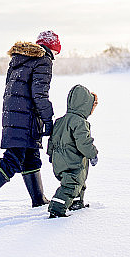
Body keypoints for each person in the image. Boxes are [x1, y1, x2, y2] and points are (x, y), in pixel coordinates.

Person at [0, 31, 61, 211]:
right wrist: (48, 120)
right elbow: (39, 94)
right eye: (56, 52)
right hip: (26, 117)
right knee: (12, 159)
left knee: (30, 156)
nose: (55, 56)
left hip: (14, 114)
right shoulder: (44, 60)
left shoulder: (20, 59)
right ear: (53, 48)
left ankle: (38, 199)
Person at [46, 84, 99, 218]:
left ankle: (76, 203)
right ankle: (56, 208)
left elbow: (52, 139)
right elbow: (84, 143)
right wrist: (92, 154)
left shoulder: (60, 121)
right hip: (72, 160)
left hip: (58, 160)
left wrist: (50, 154)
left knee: (78, 183)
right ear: (85, 105)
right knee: (72, 185)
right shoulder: (80, 122)